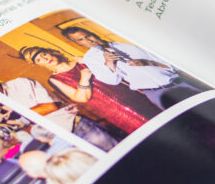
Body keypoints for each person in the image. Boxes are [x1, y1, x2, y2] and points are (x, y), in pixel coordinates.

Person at [19, 46, 157, 138]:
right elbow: (81, 98)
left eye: (43, 54)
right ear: (37, 64)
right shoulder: (55, 79)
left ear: (50, 52)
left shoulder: (82, 60)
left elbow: (113, 71)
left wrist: (89, 61)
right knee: (144, 131)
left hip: (129, 95)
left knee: (156, 114)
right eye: (38, 59)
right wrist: (84, 79)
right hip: (113, 109)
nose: (44, 58)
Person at [61, 27, 203, 109]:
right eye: (81, 40)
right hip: (157, 94)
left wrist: (148, 63)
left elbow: (168, 65)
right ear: (77, 43)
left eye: (88, 36)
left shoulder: (123, 43)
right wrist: (109, 63)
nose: (88, 40)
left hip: (180, 82)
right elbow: (112, 81)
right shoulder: (91, 58)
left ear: (93, 33)